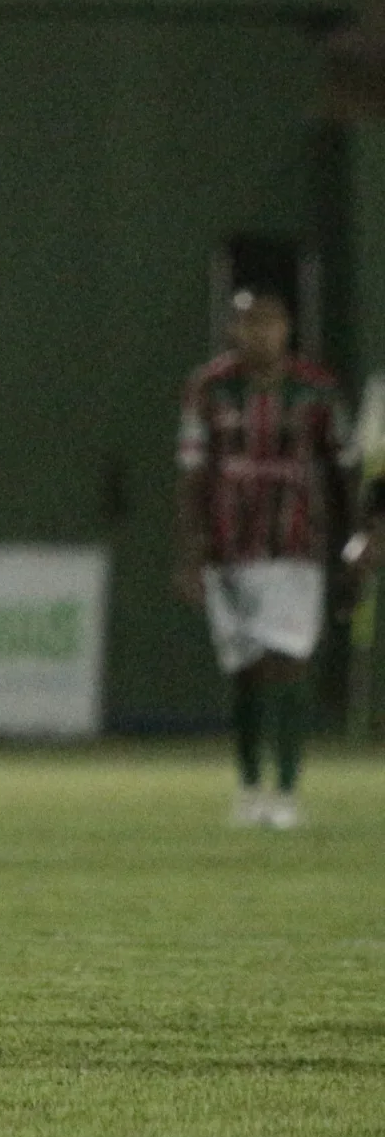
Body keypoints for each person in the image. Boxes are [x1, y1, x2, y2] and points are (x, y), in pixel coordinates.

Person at [175, 290, 379, 828]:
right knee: (245, 671)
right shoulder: (208, 389)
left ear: (286, 329)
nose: (259, 334)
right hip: (228, 548)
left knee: (287, 662)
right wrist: (190, 553)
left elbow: (344, 471)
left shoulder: (316, 390)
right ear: (232, 330)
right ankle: (248, 788)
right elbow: (193, 472)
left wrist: (355, 541)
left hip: (296, 549)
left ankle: (285, 793)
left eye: (269, 323)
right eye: (248, 324)